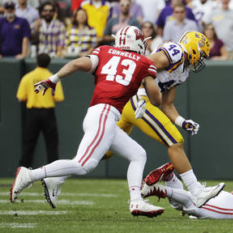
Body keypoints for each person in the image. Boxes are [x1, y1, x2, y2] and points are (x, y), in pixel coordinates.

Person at [41, 30, 225, 210]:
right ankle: (196, 190)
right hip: (137, 99)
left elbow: (167, 104)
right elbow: (141, 65)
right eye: (201, 55)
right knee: (175, 141)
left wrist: (182, 121)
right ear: (193, 49)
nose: (201, 60)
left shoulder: (183, 71)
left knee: (102, 152)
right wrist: (142, 93)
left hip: (133, 103)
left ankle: (56, 177)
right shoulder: (175, 53)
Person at [10, 25, 165, 217]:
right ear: (140, 43)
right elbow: (157, 100)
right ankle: (30, 175)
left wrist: (54, 79)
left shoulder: (105, 51)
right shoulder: (144, 62)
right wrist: (152, 82)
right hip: (106, 114)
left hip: (97, 113)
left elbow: (75, 64)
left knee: (138, 154)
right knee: (84, 164)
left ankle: (136, 202)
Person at [16, 53, 64, 168]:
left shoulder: (27, 77)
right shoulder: (53, 78)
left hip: (33, 113)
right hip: (48, 112)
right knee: (51, 143)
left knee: (29, 143)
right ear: (48, 63)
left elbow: (21, 97)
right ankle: (53, 171)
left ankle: (23, 170)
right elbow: (59, 98)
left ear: (37, 61)